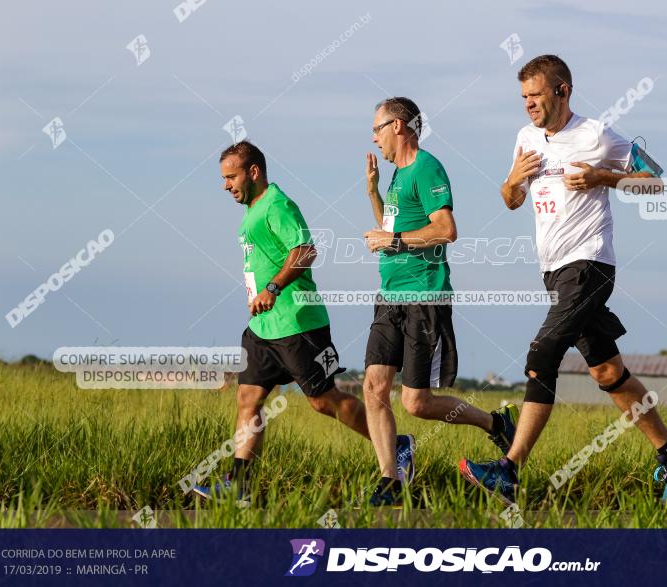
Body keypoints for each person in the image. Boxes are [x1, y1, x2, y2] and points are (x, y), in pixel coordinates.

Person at [459, 55, 667, 505]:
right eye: (524, 97)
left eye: (536, 95)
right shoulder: (525, 138)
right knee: (606, 370)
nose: (529, 104)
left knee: (542, 352)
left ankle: (508, 470)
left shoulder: (597, 134)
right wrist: (511, 180)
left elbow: (656, 181)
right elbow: (512, 200)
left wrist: (602, 177)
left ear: (562, 91)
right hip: (553, 271)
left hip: (589, 264)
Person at [193, 140, 403, 503]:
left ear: (253, 172)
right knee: (248, 399)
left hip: (298, 322)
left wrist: (273, 287)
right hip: (263, 326)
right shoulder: (254, 210)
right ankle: (238, 486)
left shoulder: (278, 204)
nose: (226, 185)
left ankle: (395, 445)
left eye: (231, 177)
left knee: (323, 401)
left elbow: (306, 250)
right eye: (224, 178)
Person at [362, 97, 518, 506]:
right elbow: (392, 229)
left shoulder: (427, 167)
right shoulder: (397, 177)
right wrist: (375, 194)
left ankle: (495, 423)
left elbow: (446, 230)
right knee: (374, 388)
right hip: (389, 297)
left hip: (424, 299)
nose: (374, 138)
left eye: (377, 128)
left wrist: (391, 239)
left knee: (416, 402)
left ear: (398, 125)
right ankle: (390, 479)